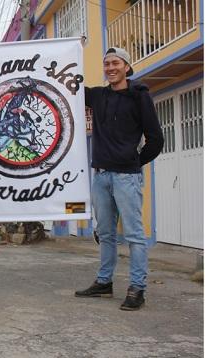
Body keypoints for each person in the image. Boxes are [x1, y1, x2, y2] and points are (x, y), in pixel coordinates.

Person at [75, 47, 164, 311]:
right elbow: (68, 87)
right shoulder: (98, 95)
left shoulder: (139, 96)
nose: (110, 68)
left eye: (115, 63)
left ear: (126, 66)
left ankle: (138, 288)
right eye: (106, 64)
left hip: (126, 177)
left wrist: (134, 161)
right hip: (100, 176)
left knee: (135, 235)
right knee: (105, 233)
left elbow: (156, 139)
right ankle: (104, 282)